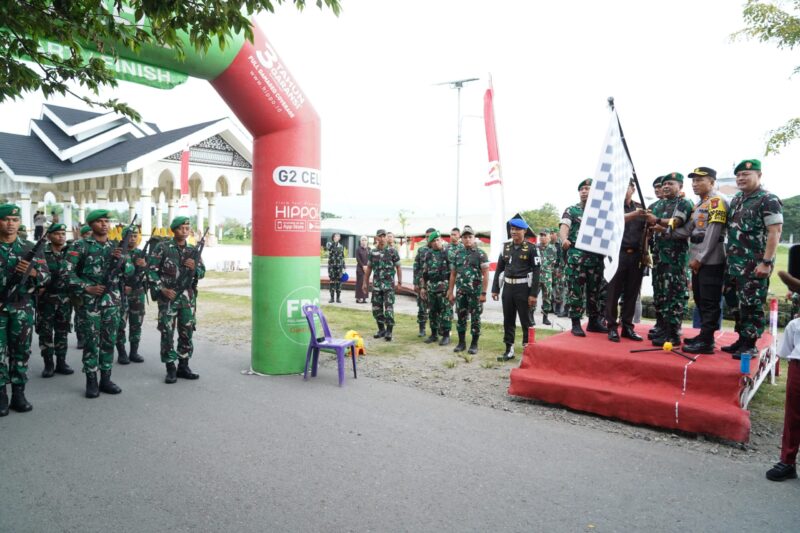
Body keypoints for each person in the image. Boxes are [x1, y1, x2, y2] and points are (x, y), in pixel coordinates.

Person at [722, 159, 783, 358]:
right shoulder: (737, 199)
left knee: (751, 304)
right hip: (734, 264)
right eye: (738, 175)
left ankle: (750, 344)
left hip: (754, 264)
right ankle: (741, 339)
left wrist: (766, 262)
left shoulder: (768, 199)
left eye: (746, 174)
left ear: (759, 175)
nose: (741, 178)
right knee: (734, 303)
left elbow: (775, 232)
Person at [67, 209, 131, 398]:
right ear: (91, 224)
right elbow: (66, 273)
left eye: (107, 221)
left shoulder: (116, 247)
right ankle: (91, 380)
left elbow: (129, 271)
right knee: (91, 342)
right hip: (90, 303)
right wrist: (86, 287)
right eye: (100, 221)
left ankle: (106, 378)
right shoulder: (81, 246)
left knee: (108, 341)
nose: (104, 224)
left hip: (112, 302)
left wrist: (123, 259)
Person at [0, 204, 49, 415]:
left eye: (15, 220)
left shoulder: (30, 247)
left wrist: (33, 272)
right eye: (5, 219)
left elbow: (47, 277)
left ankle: (19, 394)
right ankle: (1, 395)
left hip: (22, 307)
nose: (11, 224)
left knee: (21, 351)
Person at [147, 216, 206, 383]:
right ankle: (170, 367)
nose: (185, 231)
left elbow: (202, 272)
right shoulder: (162, 248)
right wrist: (162, 289)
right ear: (174, 230)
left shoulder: (193, 251)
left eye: (187, 228)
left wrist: (195, 268)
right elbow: (151, 271)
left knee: (186, 331)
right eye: (181, 228)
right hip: (168, 298)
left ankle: (183, 365)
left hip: (187, 299)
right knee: (167, 332)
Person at [681, 167, 728, 354]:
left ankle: (707, 341)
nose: (695, 184)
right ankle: (704, 335)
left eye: (700, 180)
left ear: (712, 182)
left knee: (709, 301)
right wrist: (661, 227)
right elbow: (688, 231)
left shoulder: (717, 202)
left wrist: (699, 259)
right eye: (693, 181)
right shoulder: (700, 204)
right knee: (700, 299)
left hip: (711, 260)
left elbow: (713, 233)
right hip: (698, 260)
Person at [645, 172, 693, 346]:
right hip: (659, 258)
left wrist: (657, 221)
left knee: (674, 295)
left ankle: (673, 333)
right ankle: (663, 327)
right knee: (660, 294)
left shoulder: (684, 203)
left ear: (680, 186)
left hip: (676, 260)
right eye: (664, 184)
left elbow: (677, 222)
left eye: (671, 183)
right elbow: (649, 228)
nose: (666, 186)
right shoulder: (658, 205)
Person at [560, 179, 607, 337]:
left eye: (588, 188)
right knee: (576, 291)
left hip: (595, 257)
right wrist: (564, 239)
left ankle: (594, 322)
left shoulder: (600, 211)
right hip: (576, 256)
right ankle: (576, 323)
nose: (584, 191)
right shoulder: (572, 210)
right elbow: (564, 227)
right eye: (582, 189)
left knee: (595, 291)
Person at [492, 216, 541, 360]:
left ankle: (528, 349)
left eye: (517, 229)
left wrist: (533, 294)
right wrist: (495, 288)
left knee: (526, 320)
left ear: (524, 231)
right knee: (508, 319)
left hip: (523, 289)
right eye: (512, 229)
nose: (514, 232)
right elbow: (499, 269)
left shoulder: (532, 249)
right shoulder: (505, 247)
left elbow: (537, 272)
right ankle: (509, 349)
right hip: (508, 288)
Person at [604, 180, 648, 342]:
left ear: (633, 189)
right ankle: (611, 327)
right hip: (617, 255)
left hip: (636, 256)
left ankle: (628, 327)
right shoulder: (613, 207)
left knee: (631, 293)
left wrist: (645, 253)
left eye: (626, 186)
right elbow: (613, 221)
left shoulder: (640, 207)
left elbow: (646, 232)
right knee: (613, 293)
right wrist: (636, 214)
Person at [36, 223, 74, 377]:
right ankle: (48, 364)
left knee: (62, 331)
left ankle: (61, 362)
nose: (61, 236)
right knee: (45, 332)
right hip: (46, 299)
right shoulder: (42, 253)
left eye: (63, 233)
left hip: (65, 299)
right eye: (57, 233)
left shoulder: (70, 253)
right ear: (49, 236)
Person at [767, 313, 800, 481]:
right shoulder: (795, 325)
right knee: (793, 416)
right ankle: (787, 461)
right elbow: (786, 352)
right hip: (798, 367)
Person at [449, 225, 490, 355]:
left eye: (470, 237)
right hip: (461, 292)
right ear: (461, 239)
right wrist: (450, 291)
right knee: (460, 317)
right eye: (465, 237)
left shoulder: (481, 254)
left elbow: (486, 274)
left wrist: (483, 293)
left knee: (475, 318)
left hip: (475, 293)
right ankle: (461, 343)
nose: (467, 240)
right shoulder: (457, 254)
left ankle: (474, 344)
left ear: (474, 238)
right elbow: (453, 274)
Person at [362, 229, 402, 341]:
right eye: (380, 236)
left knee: (389, 308)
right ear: (377, 238)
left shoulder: (392, 251)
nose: (383, 238)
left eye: (384, 236)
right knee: (376, 308)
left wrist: (399, 282)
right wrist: (365, 282)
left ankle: (389, 331)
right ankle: (381, 329)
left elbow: (398, 267)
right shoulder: (373, 252)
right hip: (376, 285)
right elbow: (369, 268)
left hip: (389, 286)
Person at [116, 226, 147, 364]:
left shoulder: (141, 253)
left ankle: (134, 352)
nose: (133, 239)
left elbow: (149, 273)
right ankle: (122, 352)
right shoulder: (117, 253)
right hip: (121, 293)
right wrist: (123, 287)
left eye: (135, 236)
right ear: (123, 237)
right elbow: (112, 274)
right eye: (130, 236)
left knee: (136, 323)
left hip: (138, 292)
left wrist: (144, 265)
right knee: (120, 323)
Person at [420, 231, 452, 345]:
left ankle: (446, 335)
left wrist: (451, 290)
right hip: (431, 287)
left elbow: (453, 273)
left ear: (441, 240)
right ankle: (434, 334)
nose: (436, 242)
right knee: (432, 312)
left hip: (444, 287)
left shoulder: (448, 253)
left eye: (438, 239)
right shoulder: (428, 254)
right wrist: (423, 287)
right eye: (433, 241)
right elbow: (425, 272)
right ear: (430, 243)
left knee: (445, 312)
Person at [413, 228, 436, 337]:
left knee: (436, 308)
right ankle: (422, 329)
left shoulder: (441, 249)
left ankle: (436, 330)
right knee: (422, 307)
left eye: (430, 236)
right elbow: (416, 267)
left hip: (436, 284)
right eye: (426, 236)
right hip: (423, 283)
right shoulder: (421, 250)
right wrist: (416, 283)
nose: (428, 238)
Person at [73, 224, 92, 350]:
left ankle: (89, 336)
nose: (89, 236)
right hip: (79, 286)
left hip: (92, 288)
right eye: (87, 234)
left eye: (90, 233)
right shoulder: (78, 247)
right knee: (80, 314)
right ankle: (80, 337)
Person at [537, 230, 555, 325]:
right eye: (541, 235)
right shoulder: (535, 248)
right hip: (536, 277)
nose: (542, 237)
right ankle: (530, 316)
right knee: (533, 296)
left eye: (544, 235)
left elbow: (554, 263)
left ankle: (545, 317)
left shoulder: (553, 249)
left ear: (549, 237)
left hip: (547, 277)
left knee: (547, 297)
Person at [326, 232, 345, 303]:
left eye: (338, 236)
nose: (337, 237)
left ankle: (338, 298)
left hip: (339, 267)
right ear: (333, 237)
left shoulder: (341, 246)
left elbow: (342, 258)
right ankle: (332, 298)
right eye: (336, 236)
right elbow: (329, 251)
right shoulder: (330, 245)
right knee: (332, 282)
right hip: (332, 267)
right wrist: (334, 244)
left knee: (339, 283)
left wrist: (344, 267)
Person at [355, 236, 370, 304]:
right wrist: (363, 266)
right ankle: (358, 298)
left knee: (366, 282)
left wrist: (367, 266)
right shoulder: (358, 249)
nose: (364, 241)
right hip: (360, 268)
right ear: (360, 241)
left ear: (367, 241)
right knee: (360, 283)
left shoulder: (369, 249)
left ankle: (364, 298)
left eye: (365, 240)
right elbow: (358, 259)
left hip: (367, 268)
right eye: (362, 240)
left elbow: (370, 259)